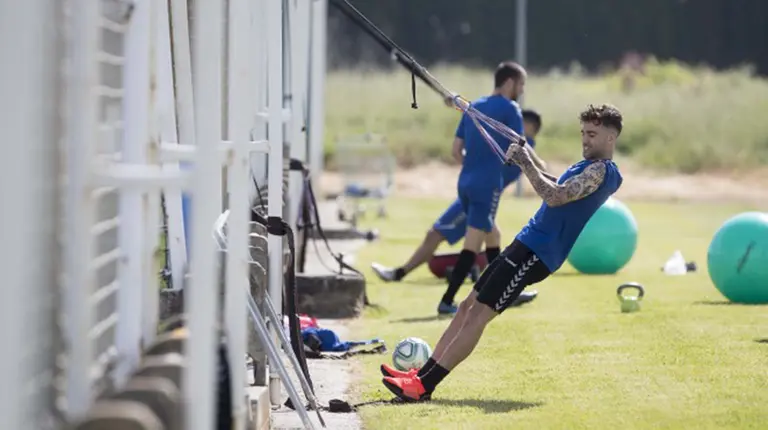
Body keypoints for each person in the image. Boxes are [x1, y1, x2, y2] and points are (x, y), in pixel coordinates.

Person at [378, 103, 625, 402]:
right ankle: (420, 376)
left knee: (479, 315)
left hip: (538, 254)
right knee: (468, 305)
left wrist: (524, 163)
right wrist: (528, 159)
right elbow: (555, 183)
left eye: (593, 134)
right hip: (526, 242)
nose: (585, 139)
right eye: (583, 133)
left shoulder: (602, 171)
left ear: (610, 138)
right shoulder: (586, 166)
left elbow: (556, 196)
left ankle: (424, 386)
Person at [370, 61, 538, 317]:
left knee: (493, 234)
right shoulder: (511, 108)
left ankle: (506, 293)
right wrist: (537, 169)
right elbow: (519, 147)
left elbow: (455, 151)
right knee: (473, 244)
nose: (522, 90)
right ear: (509, 82)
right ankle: (447, 301)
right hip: (487, 185)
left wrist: (474, 166)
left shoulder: (473, 107)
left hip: (466, 181)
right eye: (521, 84)